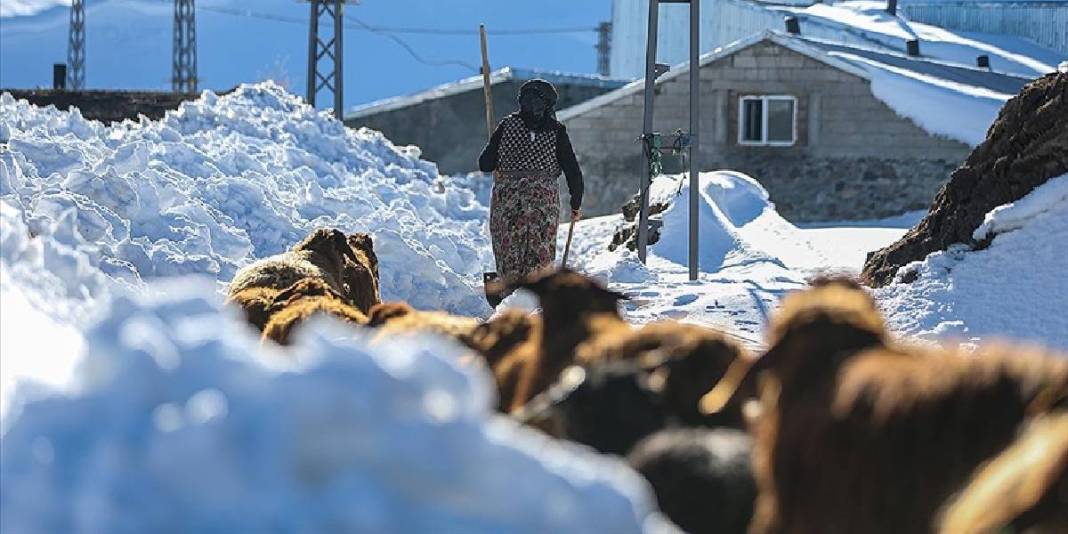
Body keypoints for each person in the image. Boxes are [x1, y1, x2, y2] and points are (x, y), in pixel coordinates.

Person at [478, 78, 584, 287]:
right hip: (543, 203)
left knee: (509, 248)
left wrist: (502, 158)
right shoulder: (556, 130)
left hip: (508, 199)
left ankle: (509, 292)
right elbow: (573, 171)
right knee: (540, 248)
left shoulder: (507, 126)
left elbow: (485, 164)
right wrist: (576, 204)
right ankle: (537, 293)